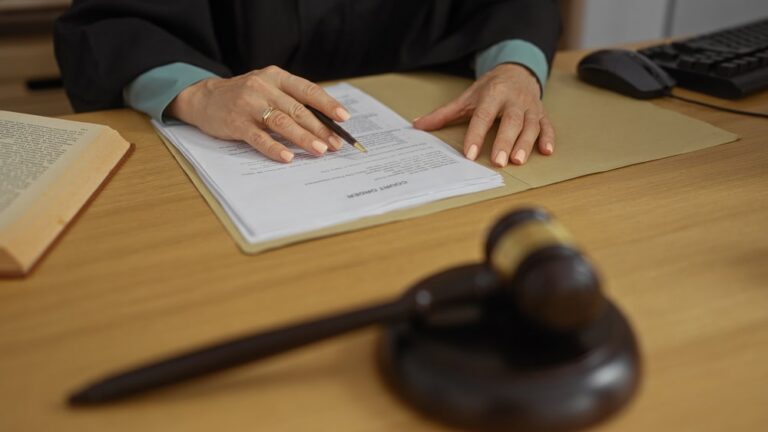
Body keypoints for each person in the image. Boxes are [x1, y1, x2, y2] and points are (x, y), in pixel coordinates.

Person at [55, 0, 560, 167]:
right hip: (223, 166)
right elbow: (112, 24)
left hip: (417, 131)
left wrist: (514, 67)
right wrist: (199, 93)